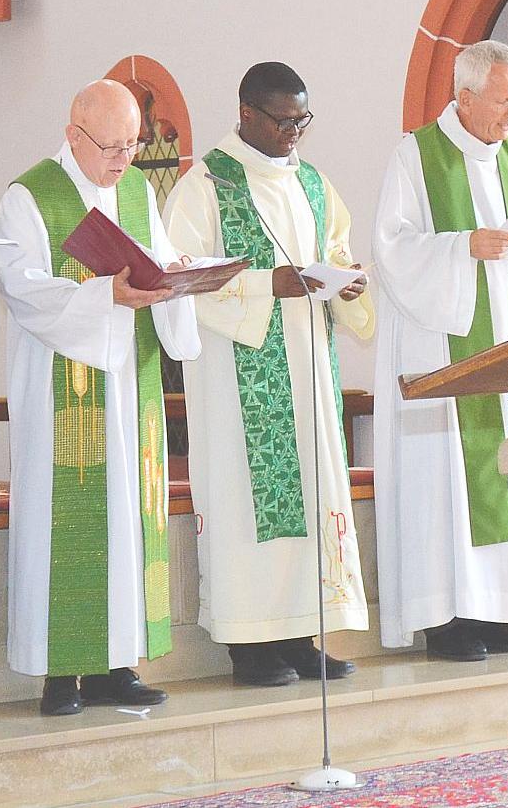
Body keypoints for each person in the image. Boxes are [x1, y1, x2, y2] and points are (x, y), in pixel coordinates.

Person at [0, 80, 201, 715]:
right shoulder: (30, 196)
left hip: (129, 388)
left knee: (128, 524)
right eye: (111, 146)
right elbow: (22, 289)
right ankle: (59, 672)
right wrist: (102, 295)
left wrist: (178, 276)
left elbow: (157, 262)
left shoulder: (135, 190)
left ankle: (117, 663)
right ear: (74, 134)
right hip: (63, 390)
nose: (123, 160)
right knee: (66, 525)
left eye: (133, 145)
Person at [165, 63, 374, 687]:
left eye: (302, 121)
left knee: (308, 494)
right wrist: (266, 286)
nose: (294, 134)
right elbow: (177, 276)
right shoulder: (204, 186)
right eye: (283, 121)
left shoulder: (312, 182)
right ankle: (248, 645)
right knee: (243, 500)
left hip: (307, 367)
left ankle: (300, 632)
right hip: (238, 381)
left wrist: (345, 280)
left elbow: (336, 249)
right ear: (246, 114)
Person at [371, 40, 508, 661]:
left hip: (503, 344)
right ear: (465, 96)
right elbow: (392, 250)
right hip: (443, 349)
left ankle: (507, 611)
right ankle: (447, 616)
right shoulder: (416, 157)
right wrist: (461, 248)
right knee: (446, 482)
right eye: (506, 101)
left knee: (503, 473)